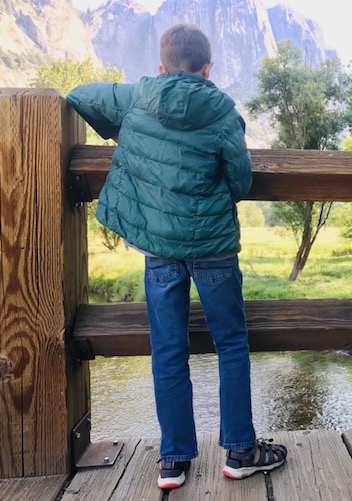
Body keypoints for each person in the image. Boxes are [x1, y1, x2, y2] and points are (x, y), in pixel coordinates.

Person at [66, 23, 287, 490]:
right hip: (214, 248)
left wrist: (125, 134)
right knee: (231, 344)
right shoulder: (223, 110)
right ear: (208, 69)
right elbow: (241, 181)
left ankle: (173, 461)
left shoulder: (138, 97)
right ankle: (241, 452)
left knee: (168, 350)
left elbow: (79, 95)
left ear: (162, 67)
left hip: (159, 250)